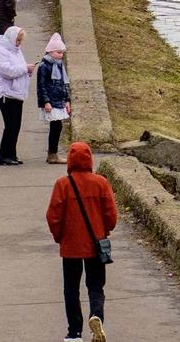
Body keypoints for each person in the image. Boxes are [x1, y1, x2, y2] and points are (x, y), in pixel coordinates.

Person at [47, 140, 118, 341]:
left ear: (69, 160)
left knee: (71, 288)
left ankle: (74, 333)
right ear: (89, 159)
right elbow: (111, 214)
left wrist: (59, 236)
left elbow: (53, 216)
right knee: (95, 286)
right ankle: (96, 315)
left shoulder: (62, 184)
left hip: (70, 246)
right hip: (96, 244)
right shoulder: (101, 182)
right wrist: (105, 230)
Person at [0, 25, 30, 165]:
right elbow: (8, 71)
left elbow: (18, 68)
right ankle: (3, 155)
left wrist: (26, 70)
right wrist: (25, 68)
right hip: (5, 93)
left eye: (20, 41)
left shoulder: (16, 51)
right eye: (17, 40)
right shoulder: (0, 52)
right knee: (10, 125)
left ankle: (11, 153)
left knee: (16, 125)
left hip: (15, 93)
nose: (18, 43)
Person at [36, 32, 72, 161]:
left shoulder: (59, 65)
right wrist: (46, 101)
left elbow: (64, 83)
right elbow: (41, 86)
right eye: (58, 52)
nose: (61, 55)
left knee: (57, 126)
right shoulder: (44, 66)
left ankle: (53, 153)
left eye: (62, 53)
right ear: (50, 52)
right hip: (51, 101)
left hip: (59, 100)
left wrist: (67, 99)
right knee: (56, 126)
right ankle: (52, 154)